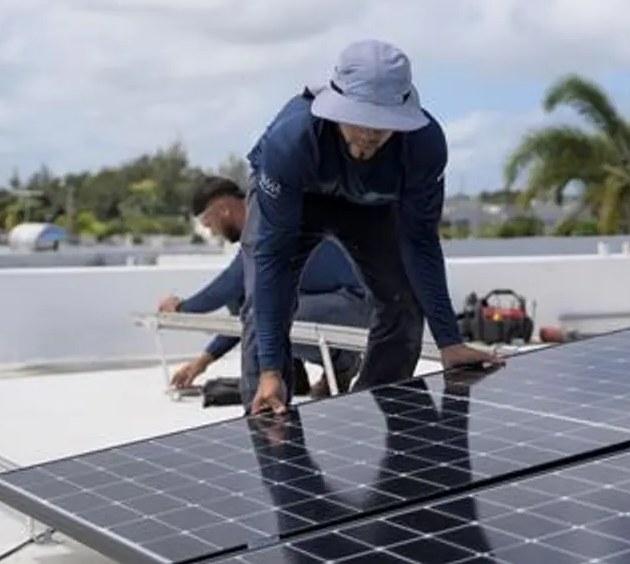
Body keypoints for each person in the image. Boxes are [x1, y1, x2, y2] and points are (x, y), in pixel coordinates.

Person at [241, 39, 502, 415]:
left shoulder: (424, 146)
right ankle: (269, 412)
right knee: (263, 305)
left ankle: (366, 414)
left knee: (404, 300)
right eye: (360, 119)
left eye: (383, 124)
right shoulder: (292, 142)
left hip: (368, 205)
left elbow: (421, 243)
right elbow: (273, 260)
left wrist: (449, 341)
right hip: (298, 197)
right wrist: (269, 371)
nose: (369, 133)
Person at [160, 176, 369, 397]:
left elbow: (229, 287)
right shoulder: (258, 226)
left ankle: (343, 363)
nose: (212, 233)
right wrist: (202, 361)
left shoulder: (267, 221)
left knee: (267, 308)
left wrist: (181, 308)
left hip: (354, 300)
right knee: (246, 298)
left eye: (209, 225)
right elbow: (244, 312)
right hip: (325, 297)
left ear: (223, 210)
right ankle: (292, 372)